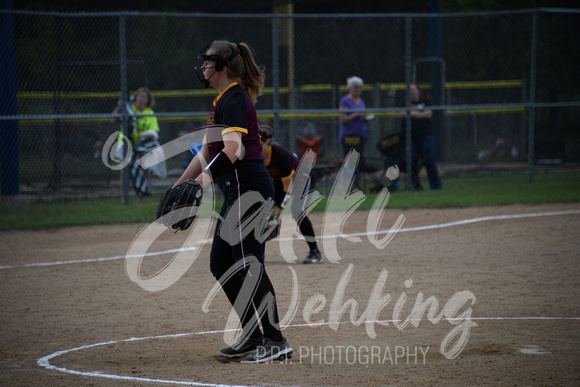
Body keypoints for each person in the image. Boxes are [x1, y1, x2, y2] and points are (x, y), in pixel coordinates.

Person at [171, 40, 292, 363]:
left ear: (223, 68)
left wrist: (201, 184)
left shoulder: (235, 98)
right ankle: (253, 334)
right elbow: (207, 151)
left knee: (249, 263)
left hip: (250, 190)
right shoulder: (222, 100)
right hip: (239, 192)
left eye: (209, 63)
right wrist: (179, 185)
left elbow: (233, 149)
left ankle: (275, 339)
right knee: (221, 263)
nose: (204, 68)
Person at [260, 124, 322, 264]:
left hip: (303, 179)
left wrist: (277, 214)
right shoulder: (256, 156)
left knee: (297, 211)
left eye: (258, 142)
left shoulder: (279, 155)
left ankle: (315, 252)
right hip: (281, 182)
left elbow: (288, 187)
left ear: (267, 142)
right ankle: (256, 254)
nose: (254, 146)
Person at [110, 87, 165, 199]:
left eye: (144, 97)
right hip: (124, 143)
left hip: (140, 146)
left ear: (148, 100)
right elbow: (113, 120)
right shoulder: (129, 109)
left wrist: (142, 135)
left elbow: (154, 132)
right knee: (124, 171)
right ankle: (124, 198)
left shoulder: (149, 113)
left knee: (142, 170)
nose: (141, 99)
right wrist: (119, 106)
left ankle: (141, 196)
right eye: (139, 96)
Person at [397, 83, 442, 190]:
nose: (411, 91)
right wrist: (418, 112)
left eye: (413, 89)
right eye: (409, 90)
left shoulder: (425, 102)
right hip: (409, 138)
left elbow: (428, 114)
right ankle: (415, 186)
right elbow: (401, 114)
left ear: (419, 91)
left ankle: (436, 187)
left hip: (425, 137)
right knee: (412, 162)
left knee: (429, 160)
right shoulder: (404, 103)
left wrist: (411, 113)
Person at [338, 76, 374, 189]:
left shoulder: (361, 101)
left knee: (359, 163)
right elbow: (343, 119)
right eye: (355, 87)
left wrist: (365, 117)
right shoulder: (345, 101)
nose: (358, 89)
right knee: (350, 163)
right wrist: (356, 114)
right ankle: (348, 186)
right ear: (349, 88)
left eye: (360, 87)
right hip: (349, 138)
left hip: (360, 137)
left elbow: (363, 115)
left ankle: (356, 186)